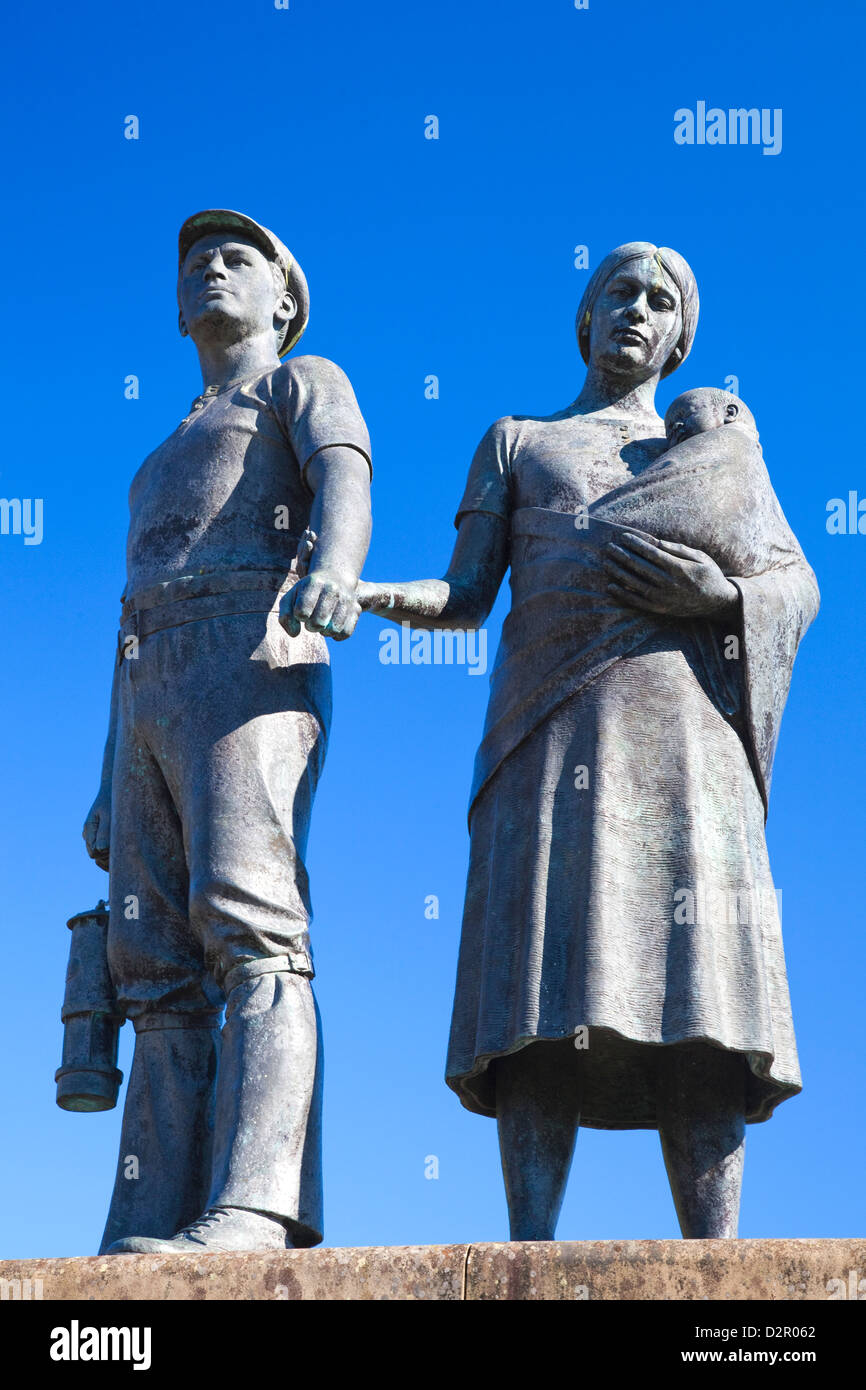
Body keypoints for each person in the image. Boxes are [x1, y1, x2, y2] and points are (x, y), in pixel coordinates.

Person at [358, 242, 819, 1240]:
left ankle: (716, 1271)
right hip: (546, 734)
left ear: (680, 337)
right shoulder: (518, 442)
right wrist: (367, 593)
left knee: (701, 993)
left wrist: (721, 597)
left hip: (689, 743)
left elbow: (795, 581)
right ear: (584, 314)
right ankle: (529, 1249)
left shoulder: (714, 454)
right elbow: (464, 594)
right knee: (538, 993)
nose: (637, 311)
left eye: (661, 301)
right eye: (618, 292)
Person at [82, 209, 372, 1253]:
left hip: (252, 649)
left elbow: (344, 473)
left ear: (283, 301)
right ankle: (149, 1213)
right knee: (152, 963)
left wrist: (333, 566)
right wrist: (105, 774)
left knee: (251, 929)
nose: (210, 267)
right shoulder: (158, 454)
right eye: (196, 259)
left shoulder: (303, 381)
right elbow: (129, 608)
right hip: (148, 681)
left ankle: (255, 1203)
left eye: (237, 257)